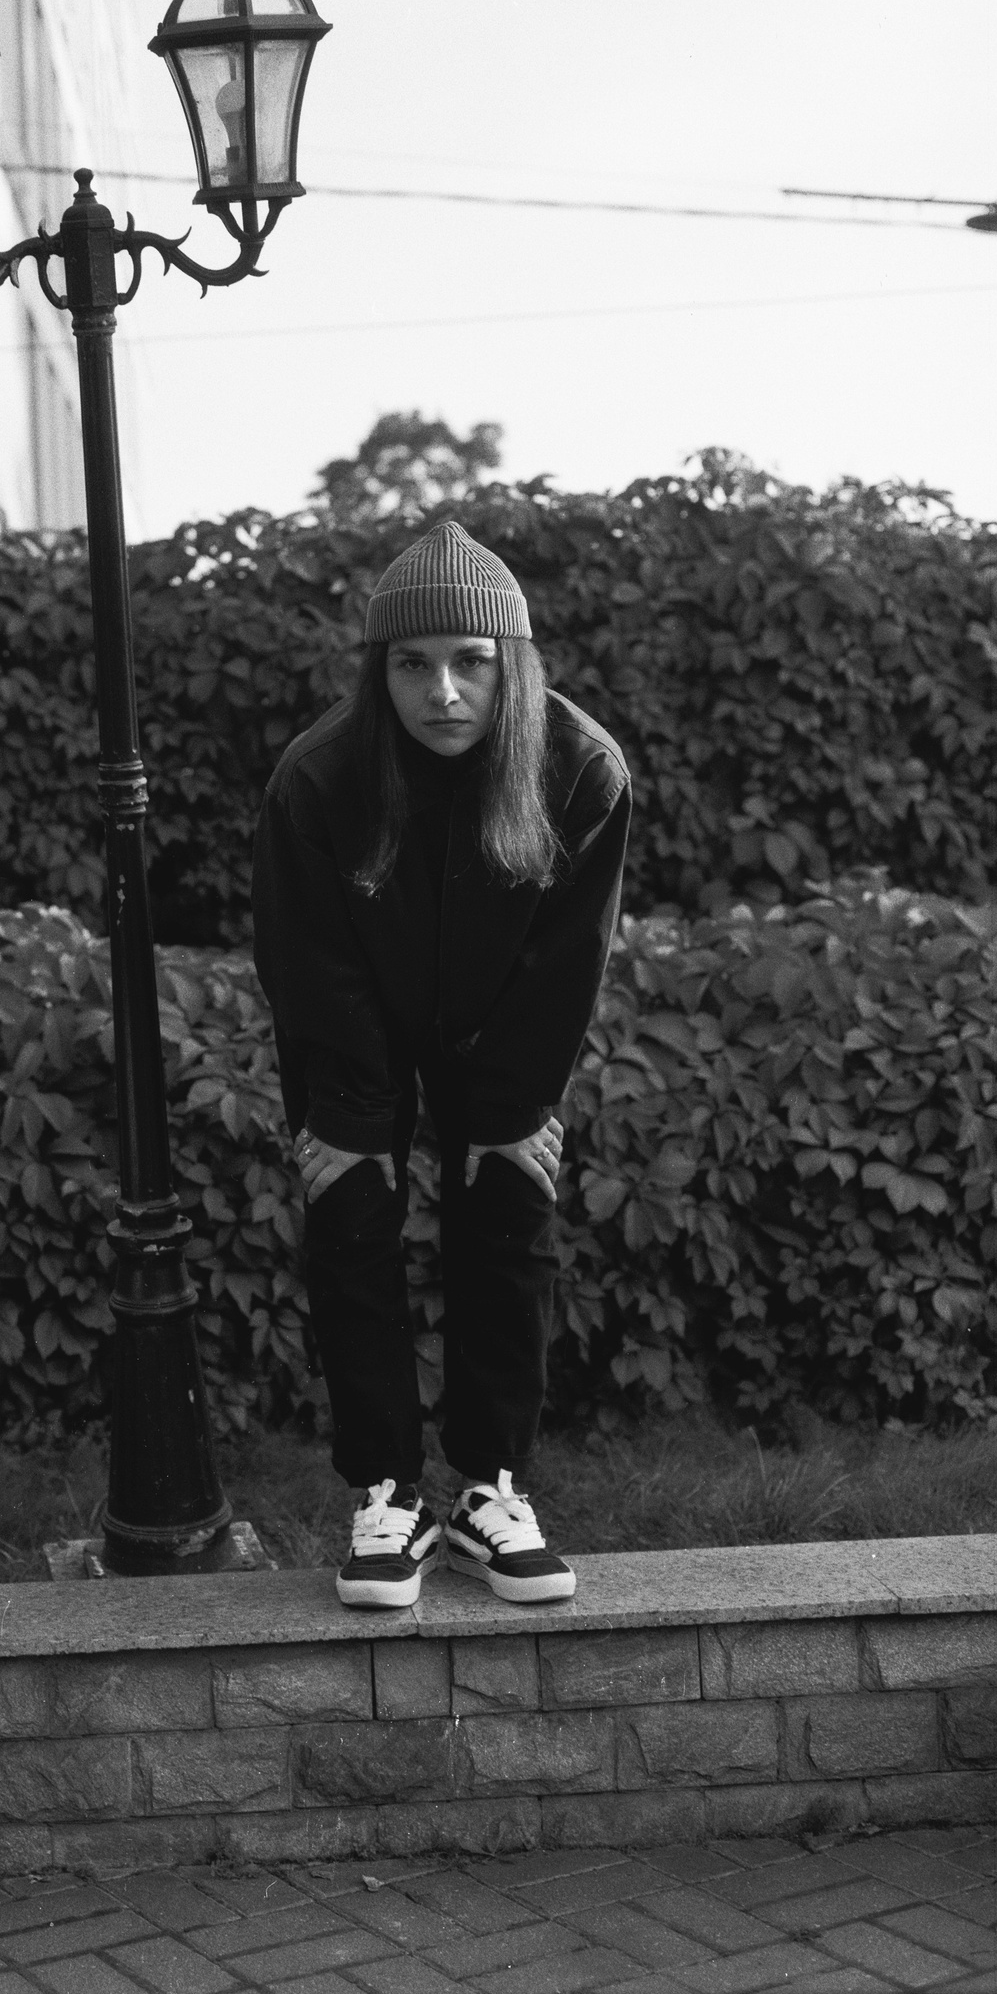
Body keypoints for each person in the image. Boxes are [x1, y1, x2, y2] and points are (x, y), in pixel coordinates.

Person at [252, 518, 631, 1612]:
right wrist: (350, 1118)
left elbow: (570, 959)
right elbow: (306, 958)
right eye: (413, 665)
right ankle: (387, 1494)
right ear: (381, 672)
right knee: (353, 1208)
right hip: (355, 1023)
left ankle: (490, 1490)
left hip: (506, 1022)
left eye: (472, 661)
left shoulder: (580, 770)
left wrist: (514, 1114)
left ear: (513, 664)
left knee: (509, 1207)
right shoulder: (318, 778)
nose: (444, 691)